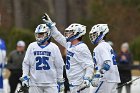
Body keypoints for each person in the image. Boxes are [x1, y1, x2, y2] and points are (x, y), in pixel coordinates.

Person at [42, 14, 94, 93]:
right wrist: (51, 25)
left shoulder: (82, 48)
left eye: (70, 32)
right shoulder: (70, 45)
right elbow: (58, 37)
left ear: (77, 34)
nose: (68, 34)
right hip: (73, 83)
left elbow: (89, 65)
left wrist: (87, 79)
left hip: (80, 85)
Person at [21, 24, 64, 93]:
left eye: (41, 34)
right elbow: (26, 63)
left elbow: (59, 65)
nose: (39, 36)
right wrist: (25, 76)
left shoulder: (54, 47)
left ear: (48, 34)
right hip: (34, 83)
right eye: (37, 34)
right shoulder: (32, 46)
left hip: (51, 83)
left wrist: (60, 79)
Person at [89, 24, 120, 93]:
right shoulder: (106, 45)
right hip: (112, 78)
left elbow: (107, 63)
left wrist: (98, 75)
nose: (93, 37)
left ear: (101, 34)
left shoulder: (100, 47)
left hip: (105, 79)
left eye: (94, 34)